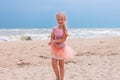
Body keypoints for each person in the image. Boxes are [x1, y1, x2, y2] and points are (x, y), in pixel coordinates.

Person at [48, 12, 74, 80]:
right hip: (54, 48)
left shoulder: (65, 30)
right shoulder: (54, 29)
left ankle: (61, 79)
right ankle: (57, 77)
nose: (60, 21)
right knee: (54, 65)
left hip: (61, 48)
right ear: (56, 20)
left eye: (61, 19)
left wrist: (54, 41)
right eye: (58, 19)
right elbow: (52, 38)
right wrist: (53, 42)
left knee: (61, 65)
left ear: (65, 20)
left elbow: (63, 40)